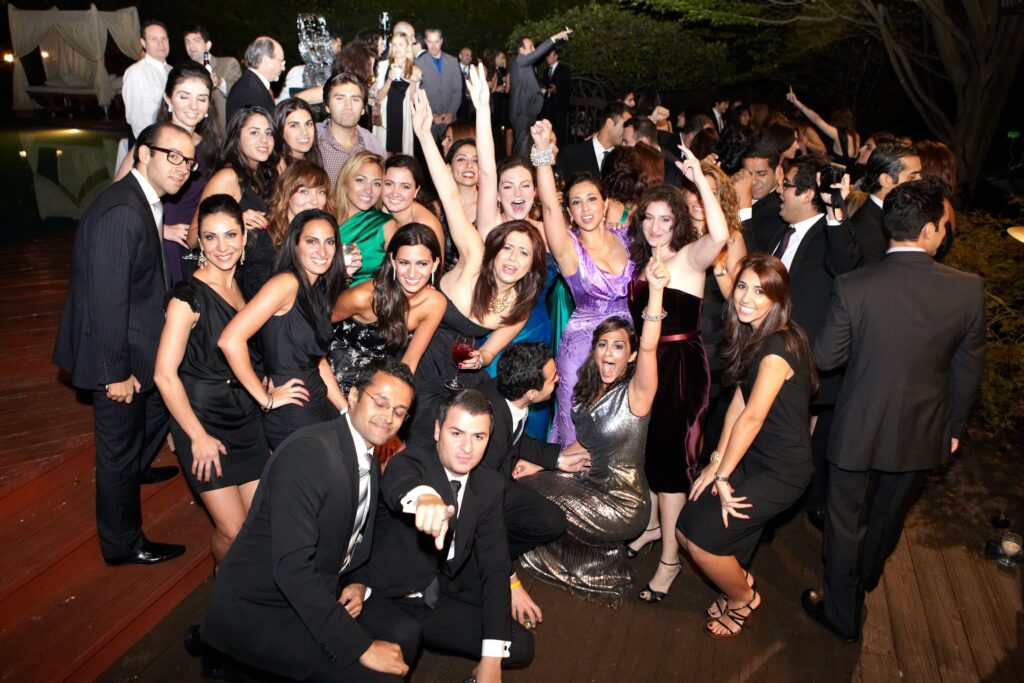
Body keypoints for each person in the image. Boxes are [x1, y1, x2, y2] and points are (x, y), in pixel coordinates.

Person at [803, 179, 986, 642]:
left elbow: (825, 357)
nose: (944, 233)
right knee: (886, 519)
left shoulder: (854, 286)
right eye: (943, 226)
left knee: (845, 523)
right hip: (925, 427)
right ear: (928, 231)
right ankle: (865, 581)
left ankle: (842, 612)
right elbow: (967, 369)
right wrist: (954, 427)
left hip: (859, 424)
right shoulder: (968, 290)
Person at [199, 359, 416, 682]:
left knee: (407, 633)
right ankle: (223, 655)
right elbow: (291, 568)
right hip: (267, 606)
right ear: (353, 396)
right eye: (380, 403)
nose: (388, 417)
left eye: (399, 412)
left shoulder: (366, 453)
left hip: (323, 586)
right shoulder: (309, 454)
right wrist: (359, 647)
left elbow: (356, 534)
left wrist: (358, 580)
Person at [53, 122, 195, 565]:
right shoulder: (122, 211)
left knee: (154, 412)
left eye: (189, 162)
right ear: (143, 154)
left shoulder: (143, 200)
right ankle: (123, 544)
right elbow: (107, 302)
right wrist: (114, 373)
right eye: (172, 156)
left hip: (138, 341)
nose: (182, 168)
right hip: (115, 352)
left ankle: (136, 466)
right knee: (115, 452)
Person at [678, 253, 817, 638]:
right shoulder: (753, 335)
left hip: (783, 470)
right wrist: (717, 460)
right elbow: (739, 402)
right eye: (742, 286)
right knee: (685, 527)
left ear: (778, 299)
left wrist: (723, 476)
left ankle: (743, 598)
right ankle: (736, 582)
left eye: (759, 291)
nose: (746, 298)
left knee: (702, 543)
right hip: (751, 456)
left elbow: (753, 418)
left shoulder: (778, 347)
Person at [519, 257, 668, 605]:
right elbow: (582, 447)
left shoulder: (637, 395)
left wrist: (657, 291)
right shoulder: (589, 389)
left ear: (631, 356)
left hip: (623, 504)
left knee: (535, 498)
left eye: (618, 346)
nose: (608, 353)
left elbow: (649, 344)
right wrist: (539, 465)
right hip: (588, 482)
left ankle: (599, 566)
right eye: (602, 345)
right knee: (525, 483)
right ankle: (573, 559)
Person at [358, 390, 536, 679]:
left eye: (478, 437)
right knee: (404, 639)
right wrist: (424, 498)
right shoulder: (412, 461)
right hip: (387, 593)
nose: (467, 447)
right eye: (456, 433)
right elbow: (401, 480)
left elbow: (494, 565)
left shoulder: (489, 484)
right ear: (437, 430)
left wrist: (490, 661)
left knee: (518, 646)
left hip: (437, 592)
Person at [407, 77, 546, 439]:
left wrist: (480, 358)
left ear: (532, 266)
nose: (512, 258)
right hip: (421, 357)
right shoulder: (473, 256)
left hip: (462, 375)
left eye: (523, 253)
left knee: (489, 426)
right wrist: (425, 135)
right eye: (508, 248)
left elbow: (489, 352)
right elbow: (451, 195)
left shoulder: (519, 304)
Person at [624, 162, 730, 604]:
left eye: (665, 219)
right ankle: (653, 526)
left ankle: (670, 558)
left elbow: (720, 236)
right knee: (651, 454)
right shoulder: (642, 262)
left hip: (681, 367)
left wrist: (699, 180)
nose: (655, 226)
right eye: (649, 217)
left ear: (678, 222)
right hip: (648, 367)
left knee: (671, 466)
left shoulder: (688, 257)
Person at [153, 195, 268, 563]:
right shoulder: (187, 298)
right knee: (232, 530)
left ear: (244, 237)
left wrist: (264, 385)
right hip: (204, 422)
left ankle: (244, 589)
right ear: (199, 242)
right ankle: (223, 585)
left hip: (246, 418)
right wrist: (197, 437)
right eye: (211, 237)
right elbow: (164, 375)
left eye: (231, 235)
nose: (222, 247)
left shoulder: (244, 287)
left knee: (256, 526)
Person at [218, 209, 349, 450]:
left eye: (329, 242)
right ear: (295, 245)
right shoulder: (286, 283)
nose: (322, 251)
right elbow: (230, 340)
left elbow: (317, 360)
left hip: (317, 398)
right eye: (312, 241)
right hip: (293, 411)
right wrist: (265, 400)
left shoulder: (317, 288)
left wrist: (344, 409)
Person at [534, 157, 636, 447]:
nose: (585, 208)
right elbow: (549, 207)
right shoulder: (569, 248)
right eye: (576, 203)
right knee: (575, 434)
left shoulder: (627, 238)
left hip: (625, 348)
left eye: (592, 199)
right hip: (581, 350)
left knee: (620, 433)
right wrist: (542, 153)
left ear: (606, 203)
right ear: (569, 211)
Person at [114, 63, 219, 285]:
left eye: (201, 99)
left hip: (197, 246)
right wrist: (162, 230)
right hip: (159, 243)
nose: (193, 106)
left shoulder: (211, 147)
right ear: (168, 99)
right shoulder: (151, 143)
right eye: (184, 96)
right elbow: (118, 201)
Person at [329, 223, 446, 389]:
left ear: (434, 264)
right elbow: (311, 331)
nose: (412, 273)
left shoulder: (434, 303)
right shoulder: (364, 297)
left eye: (422, 264)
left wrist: (395, 397)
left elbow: (410, 362)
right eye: (404, 263)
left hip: (379, 383)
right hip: (332, 378)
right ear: (393, 260)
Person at [193, 106, 279, 300]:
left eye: (268, 133)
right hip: (234, 286)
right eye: (254, 132)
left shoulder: (265, 176)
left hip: (260, 285)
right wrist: (235, 221)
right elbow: (193, 236)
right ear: (237, 137)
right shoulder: (227, 177)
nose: (264, 139)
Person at [853, 142, 922, 263]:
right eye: (912, 177)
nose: (920, 181)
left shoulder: (903, 212)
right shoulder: (866, 228)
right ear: (885, 180)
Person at [336, 151, 398, 285]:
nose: (368, 190)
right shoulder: (325, 218)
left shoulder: (385, 225)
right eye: (360, 180)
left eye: (376, 183)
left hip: (367, 296)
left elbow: (399, 274)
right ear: (345, 181)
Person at [317, 72, 386, 187]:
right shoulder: (312, 141)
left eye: (355, 99)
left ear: (363, 109)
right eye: (340, 98)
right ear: (327, 107)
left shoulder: (373, 146)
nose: (348, 106)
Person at [508, 30, 571, 147]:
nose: (533, 49)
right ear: (521, 50)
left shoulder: (525, 65)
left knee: (528, 147)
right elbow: (536, 54)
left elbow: (526, 86)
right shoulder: (520, 59)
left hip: (529, 111)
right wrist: (555, 37)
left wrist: (541, 91)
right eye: (530, 47)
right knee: (522, 147)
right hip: (521, 114)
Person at [381, 154, 447, 263]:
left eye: (405, 186)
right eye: (389, 184)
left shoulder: (425, 225)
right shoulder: (380, 211)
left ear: (416, 191)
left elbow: (435, 269)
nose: (395, 193)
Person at [182, 25, 241, 136]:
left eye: (196, 40)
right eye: (187, 42)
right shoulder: (185, 72)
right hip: (196, 135)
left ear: (208, 45)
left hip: (223, 135)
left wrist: (220, 82)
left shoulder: (227, 64)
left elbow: (239, 92)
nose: (191, 46)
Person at [786, 87, 860, 171]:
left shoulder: (838, 135)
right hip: (848, 176)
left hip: (834, 175)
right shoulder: (856, 137)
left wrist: (797, 103)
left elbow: (816, 120)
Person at [373, 32, 423, 156]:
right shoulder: (382, 66)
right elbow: (378, 97)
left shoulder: (415, 70)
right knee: (384, 157)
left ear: (407, 46)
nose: (397, 48)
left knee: (402, 157)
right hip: (385, 117)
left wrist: (412, 81)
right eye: (394, 44)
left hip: (403, 118)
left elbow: (412, 101)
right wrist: (389, 80)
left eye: (400, 44)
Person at [122, 20, 172, 140]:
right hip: (153, 141)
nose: (161, 43)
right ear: (143, 43)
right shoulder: (136, 72)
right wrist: (151, 144)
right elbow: (135, 118)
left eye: (164, 38)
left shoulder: (172, 70)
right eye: (154, 39)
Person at [556, 102, 631, 180]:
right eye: (625, 126)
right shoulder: (570, 155)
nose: (628, 132)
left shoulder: (624, 160)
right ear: (609, 123)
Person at [414, 29, 463, 141]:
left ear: (441, 41)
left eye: (436, 42)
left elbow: (457, 90)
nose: (433, 46)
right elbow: (417, 93)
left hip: (449, 120)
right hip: (428, 121)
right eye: (430, 42)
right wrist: (431, 114)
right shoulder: (418, 63)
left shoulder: (453, 61)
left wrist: (451, 113)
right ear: (425, 42)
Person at [226, 36, 285, 124]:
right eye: (281, 61)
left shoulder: (251, 84)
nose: (283, 68)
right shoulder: (249, 91)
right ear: (266, 60)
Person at [273, 98, 323, 170]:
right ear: (280, 130)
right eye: (294, 125)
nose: (304, 132)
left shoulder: (317, 156)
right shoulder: (277, 168)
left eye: (308, 124)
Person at [539, 46, 572, 146]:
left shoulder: (564, 70)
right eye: (547, 56)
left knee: (559, 132)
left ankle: (561, 152)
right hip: (547, 106)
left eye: (549, 55)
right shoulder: (546, 71)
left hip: (559, 106)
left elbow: (568, 87)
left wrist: (556, 89)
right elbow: (546, 86)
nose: (547, 58)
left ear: (556, 56)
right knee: (548, 131)